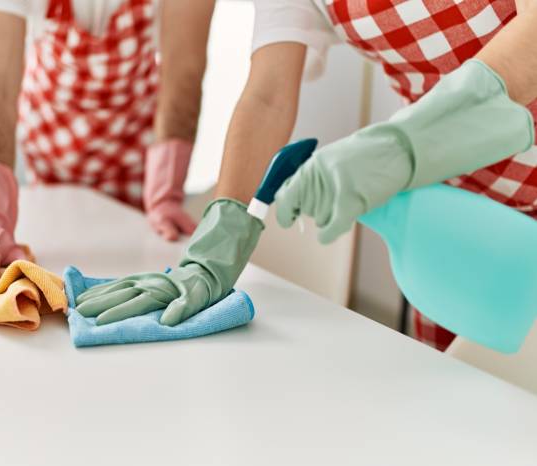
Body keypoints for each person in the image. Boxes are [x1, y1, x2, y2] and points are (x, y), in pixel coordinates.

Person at [75, 0, 537, 351]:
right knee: (473, 402)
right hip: (456, 210)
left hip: (445, 152)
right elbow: (268, 96)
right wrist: (218, 243)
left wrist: (403, 145)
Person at [0, 0, 216, 300]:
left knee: (134, 270)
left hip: (137, 149)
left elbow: (184, 72)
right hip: (51, 143)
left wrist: (166, 189)